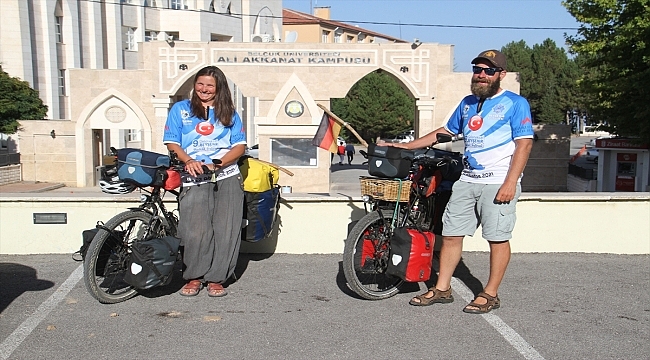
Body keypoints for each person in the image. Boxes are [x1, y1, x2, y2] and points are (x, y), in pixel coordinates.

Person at [384, 50, 533, 313]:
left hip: (498, 181)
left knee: (497, 238)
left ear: (501, 75)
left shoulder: (515, 103)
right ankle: (442, 289)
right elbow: (445, 132)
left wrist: (510, 183)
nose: (482, 75)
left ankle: (490, 293)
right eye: (478, 69)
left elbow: (524, 144)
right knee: (451, 235)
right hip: (467, 179)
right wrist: (406, 146)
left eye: (489, 71)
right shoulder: (467, 103)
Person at [163, 66, 246, 298]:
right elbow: (172, 142)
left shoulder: (229, 113)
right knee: (195, 229)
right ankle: (194, 277)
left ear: (218, 88)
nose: (204, 89)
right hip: (194, 175)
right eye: (200, 84)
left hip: (227, 175)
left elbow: (240, 145)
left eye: (210, 85)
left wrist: (218, 164)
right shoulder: (181, 110)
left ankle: (217, 278)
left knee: (226, 229)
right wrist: (188, 160)